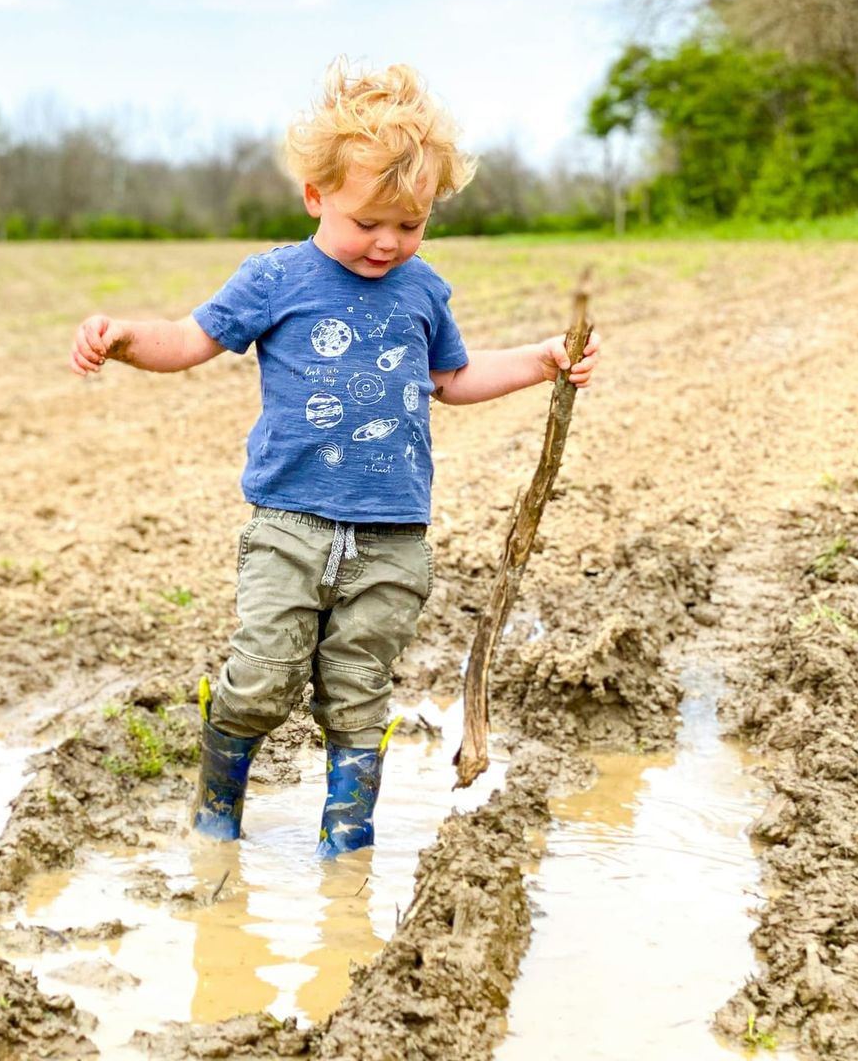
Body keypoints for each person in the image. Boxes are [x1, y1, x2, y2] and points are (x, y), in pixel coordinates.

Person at [69, 60, 598, 856]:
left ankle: (344, 845)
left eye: (410, 224)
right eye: (368, 222)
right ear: (316, 197)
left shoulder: (423, 291)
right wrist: (122, 340)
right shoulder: (275, 277)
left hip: (392, 538)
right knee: (260, 682)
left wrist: (543, 358)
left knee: (359, 697)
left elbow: (451, 379)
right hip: (289, 526)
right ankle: (217, 810)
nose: (388, 242)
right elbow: (188, 339)